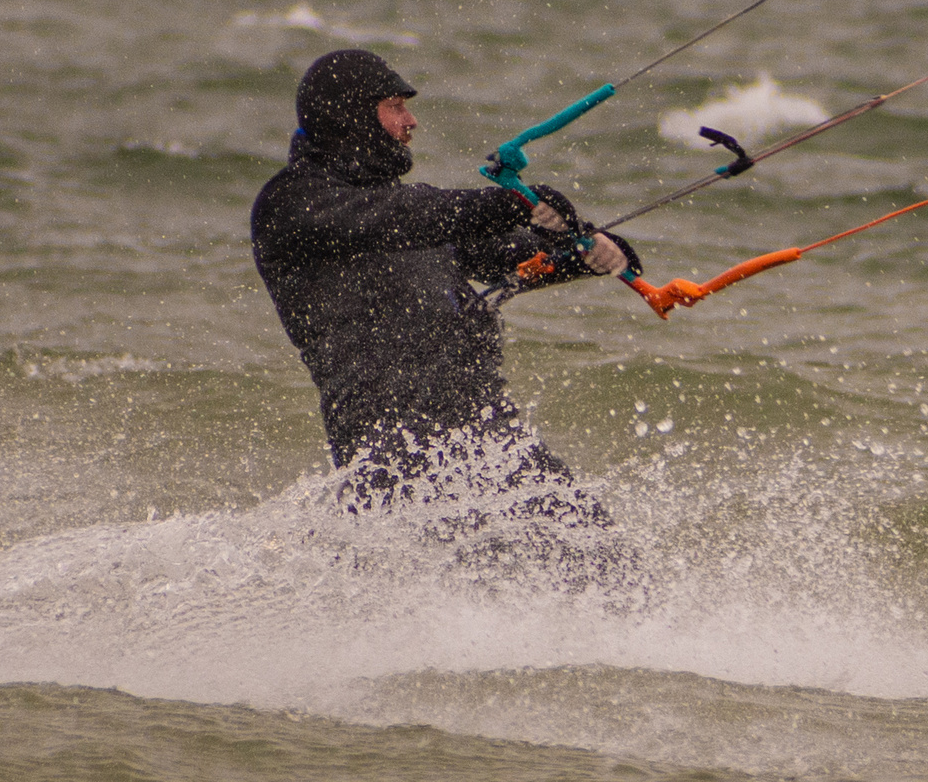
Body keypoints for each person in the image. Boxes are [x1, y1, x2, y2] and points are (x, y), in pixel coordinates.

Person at [251, 49, 638, 526]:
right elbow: (403, 220)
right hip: (392, 453)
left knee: (607, 561)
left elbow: (508, 254)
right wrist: (511, 203)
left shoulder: (411, 211)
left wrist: (587, 249)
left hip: (490, 433)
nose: (410, 121)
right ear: (350, 115)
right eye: (394, 107)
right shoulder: (294, 204)